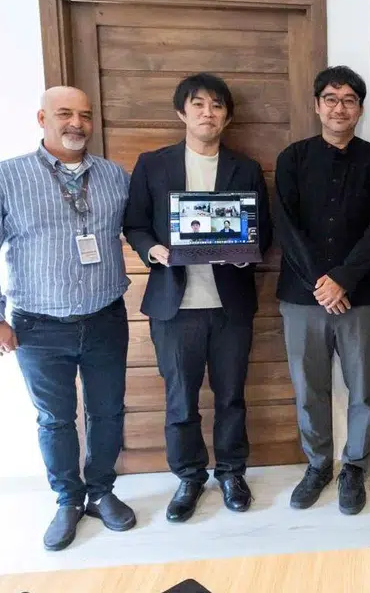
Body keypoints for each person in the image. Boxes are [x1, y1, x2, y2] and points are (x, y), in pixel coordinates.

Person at [0, 86, 134, 551]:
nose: (76, 123)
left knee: (108, 411)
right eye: (64, 114)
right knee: (55, 419)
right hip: (37, 326)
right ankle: (68, 500)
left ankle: (102, 492)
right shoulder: (3, 178)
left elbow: (141, 227)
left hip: (105, 318)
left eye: (85, 115)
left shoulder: (115, 177)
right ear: (42, 118)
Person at [123, 73, 271, 522]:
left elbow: (262, 230)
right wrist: (153, 250)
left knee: (231, 396)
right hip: (174, 305)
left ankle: (231, 472)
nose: (208, 113)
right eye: (199, 104)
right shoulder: (154, 164)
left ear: (227, 117)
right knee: (181, 399)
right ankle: (189, 477)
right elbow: (135, 223)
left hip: (230, 305)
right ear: (182, 113)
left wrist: (244, 254)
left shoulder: (245, 168)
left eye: (217, 106)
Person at [274, 66, 370, 516]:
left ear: (360, 109)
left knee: (363, 386)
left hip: (359, 296)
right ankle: (318, 465)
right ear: (317, 105)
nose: (339, 107)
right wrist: (321, 283)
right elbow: (285, 227)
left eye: (349, 100)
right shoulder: (293, 158)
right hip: (302, 295)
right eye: (331, 98)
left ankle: (356, 467)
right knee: (309, 386)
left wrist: (342, 278)